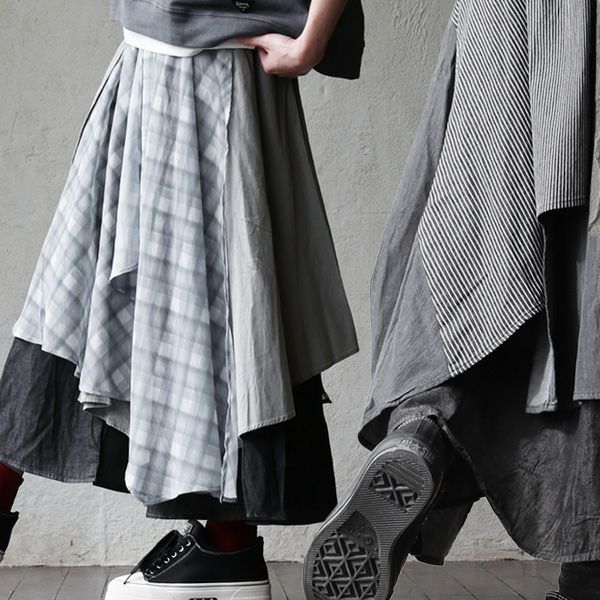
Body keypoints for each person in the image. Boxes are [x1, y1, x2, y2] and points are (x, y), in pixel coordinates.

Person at [0, 1, 365, 598]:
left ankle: (227, 547)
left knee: (215, 307)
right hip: (147, 62)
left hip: (215, 75)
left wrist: (311, 42)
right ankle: (225, 548)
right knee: (80, 297)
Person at [304, 1, 600, 600]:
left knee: (478, 241)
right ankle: (587, 575)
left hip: (506, 19)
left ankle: (423, 434)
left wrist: (308, 39)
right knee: (587, 279)